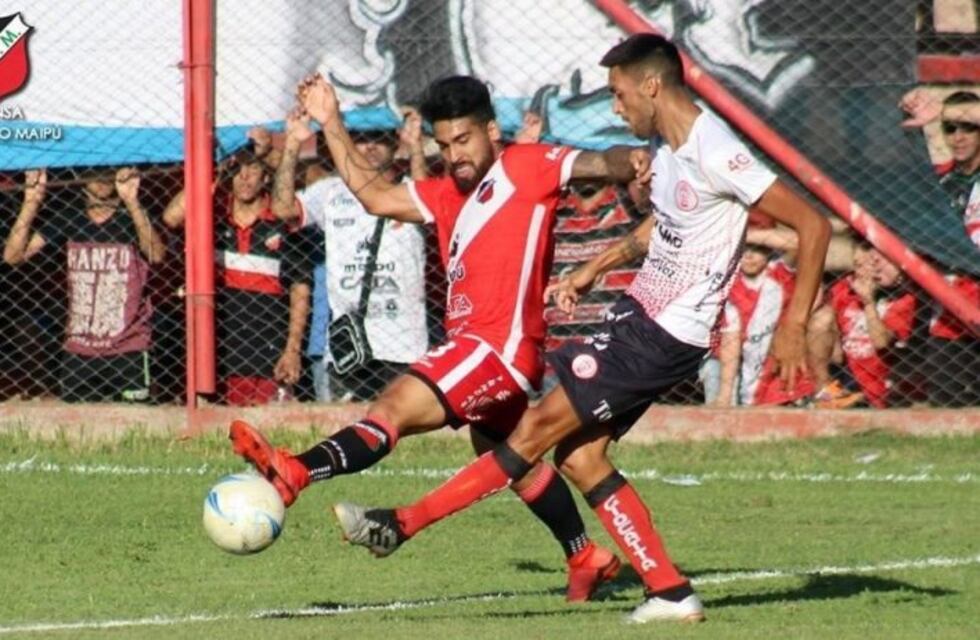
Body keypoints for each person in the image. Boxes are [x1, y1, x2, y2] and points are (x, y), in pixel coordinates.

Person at [329, 34, 831, 624]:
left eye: (619, 94)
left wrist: (794, 323)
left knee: (535, 430)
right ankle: (670, 592)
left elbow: (813, 224)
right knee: (582, 456)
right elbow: (662, 229)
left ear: (651, 85)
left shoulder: (712, 146)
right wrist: (594, 269)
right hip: (642, 319)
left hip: (664, 333)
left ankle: (402, 523)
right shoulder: (665, 147)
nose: (616, 108)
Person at [229, 72, 652, 601]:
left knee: (393, 407)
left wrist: (628, 159)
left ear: (491, 130)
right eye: (445, 144)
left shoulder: (526, 165)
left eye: (465, 140)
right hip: (479, 348)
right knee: (510, 455)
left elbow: (596, 163)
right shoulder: (448, 193)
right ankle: (584, 554)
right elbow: (378, 197)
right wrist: (331, 121)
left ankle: (296, 472)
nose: (455, 155)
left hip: (495, 350)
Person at [271, 109, 430, 401]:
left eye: (378, 139)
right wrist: (292, 143)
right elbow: (282, 208)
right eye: (358, 139)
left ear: (395, 145)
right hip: (350, 345)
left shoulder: (410, 189)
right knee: (347, 433)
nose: (368, 146)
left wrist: (417, 147)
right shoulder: (330, 192)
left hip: (406, 344)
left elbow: (426, 201)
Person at [163, 145, 312, 406]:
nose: (244, 177)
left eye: (252, 169)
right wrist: (213, 174)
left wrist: (292, 350)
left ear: (265, 177)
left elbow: (300, 290)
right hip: (217, 352)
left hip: (268, 352)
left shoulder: (281, 221)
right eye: (237, 169)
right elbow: (172, 217)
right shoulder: (213, 216)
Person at [4, 167, 166, 402]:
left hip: (128, 345)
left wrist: (132, 202)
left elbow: (157, 255)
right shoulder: (71, 216)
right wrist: (31, 202)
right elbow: (13, 256)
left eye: (108, 170)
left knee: (135, 420)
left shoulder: (132, 216)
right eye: (95, 170)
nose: (102, 178)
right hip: (80, 348)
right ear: (81, 176)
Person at [902, 89, 980, 406]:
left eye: (969, 127)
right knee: (946, 408)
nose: (958, 137)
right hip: (947, 308)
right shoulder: (939, 183)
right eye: (949, 128)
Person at [807, 242, 917, 408]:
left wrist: (868, 302)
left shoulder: (903, 300)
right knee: (821, 318)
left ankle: (862, 401)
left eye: (870, 265)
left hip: (879, 382)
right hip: (845, 374)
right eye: (857, 266)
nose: (861, 272)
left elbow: (881, 343)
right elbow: (832, 346)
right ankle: (823, 394)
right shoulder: (844, 288)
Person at [713, 238, 815, 407]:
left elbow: (799, 243)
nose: (749, 256)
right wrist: (725, 395)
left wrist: (750, 233)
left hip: (785, 368)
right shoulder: (731, 285)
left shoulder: (778, 273)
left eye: (757, 249)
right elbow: (730, 343)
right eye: (743, 249)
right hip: (752, 377)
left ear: (769, 251)